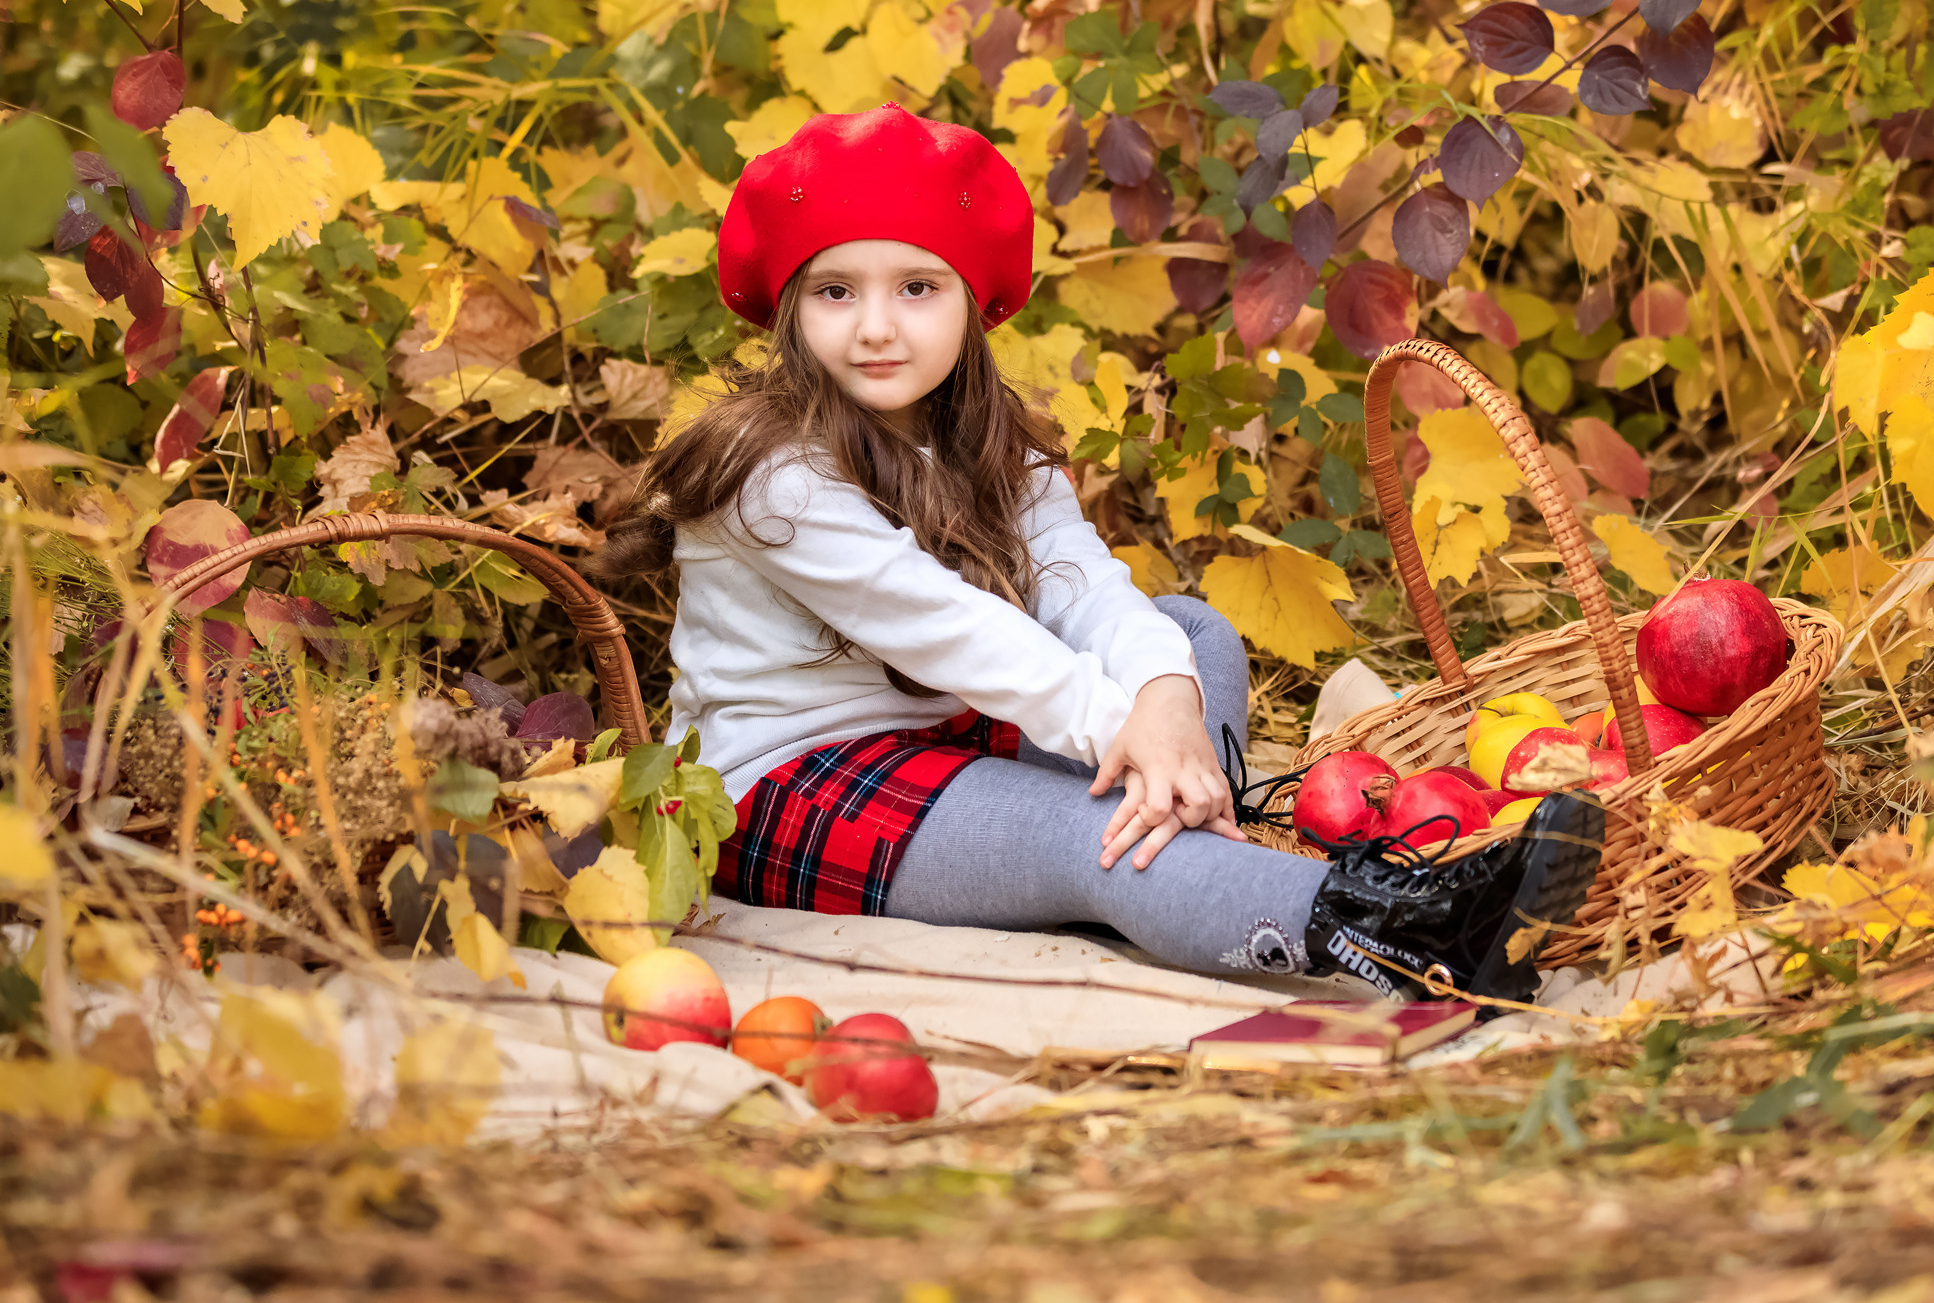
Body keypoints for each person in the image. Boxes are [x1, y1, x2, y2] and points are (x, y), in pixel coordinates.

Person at [590, 104, 1601, 1006]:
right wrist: (1135, 731)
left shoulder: (986, 438)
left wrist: (1160, 699)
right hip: (791, 785)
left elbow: (1080, 586)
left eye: (915, 286)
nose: (877, 328)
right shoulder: (774, 474)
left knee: (1186, 633)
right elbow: (949, 631)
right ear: (787, 309)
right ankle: (1404, 931)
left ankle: (1168, 843)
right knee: (1102, 841)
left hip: (948, 731)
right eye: (835, 293)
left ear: (970, 300)